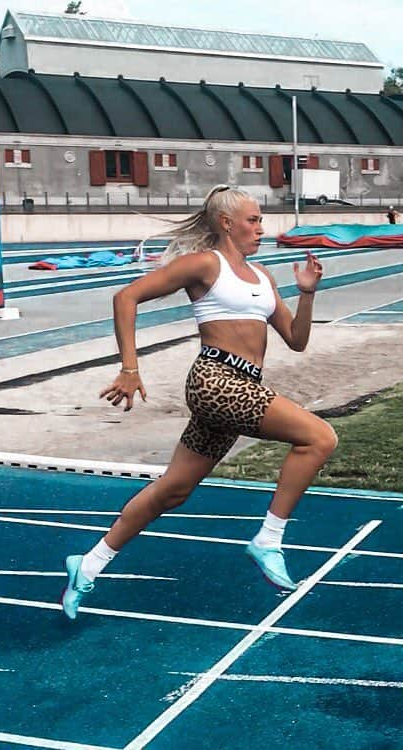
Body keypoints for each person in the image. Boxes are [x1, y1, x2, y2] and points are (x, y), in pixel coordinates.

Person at [60, 185, 331, 620]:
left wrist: (308, 293)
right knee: (319, 437)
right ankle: (268, 539)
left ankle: (88, 565)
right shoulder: (206, 264)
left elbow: (297, 341)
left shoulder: (263, 277)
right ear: (227, 223)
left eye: (260, 220)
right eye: (253, 220)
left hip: (242, 387)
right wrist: (130, 369)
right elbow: (125, 297)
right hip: (216, 380)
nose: (261, 227)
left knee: (174, 489)